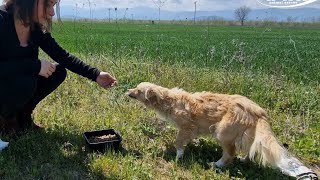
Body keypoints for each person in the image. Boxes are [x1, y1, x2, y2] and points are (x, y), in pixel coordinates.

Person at [0, 0, 117, 134]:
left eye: (54, 6)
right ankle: (6, 119)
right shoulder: (1, 20)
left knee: (57, 72)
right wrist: (35, 66)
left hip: (17, 83)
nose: (52, 12)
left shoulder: (34, 28)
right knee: (27, 81)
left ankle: (22, 116)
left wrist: (95, 74)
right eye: (48, 4)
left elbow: (62, 56)